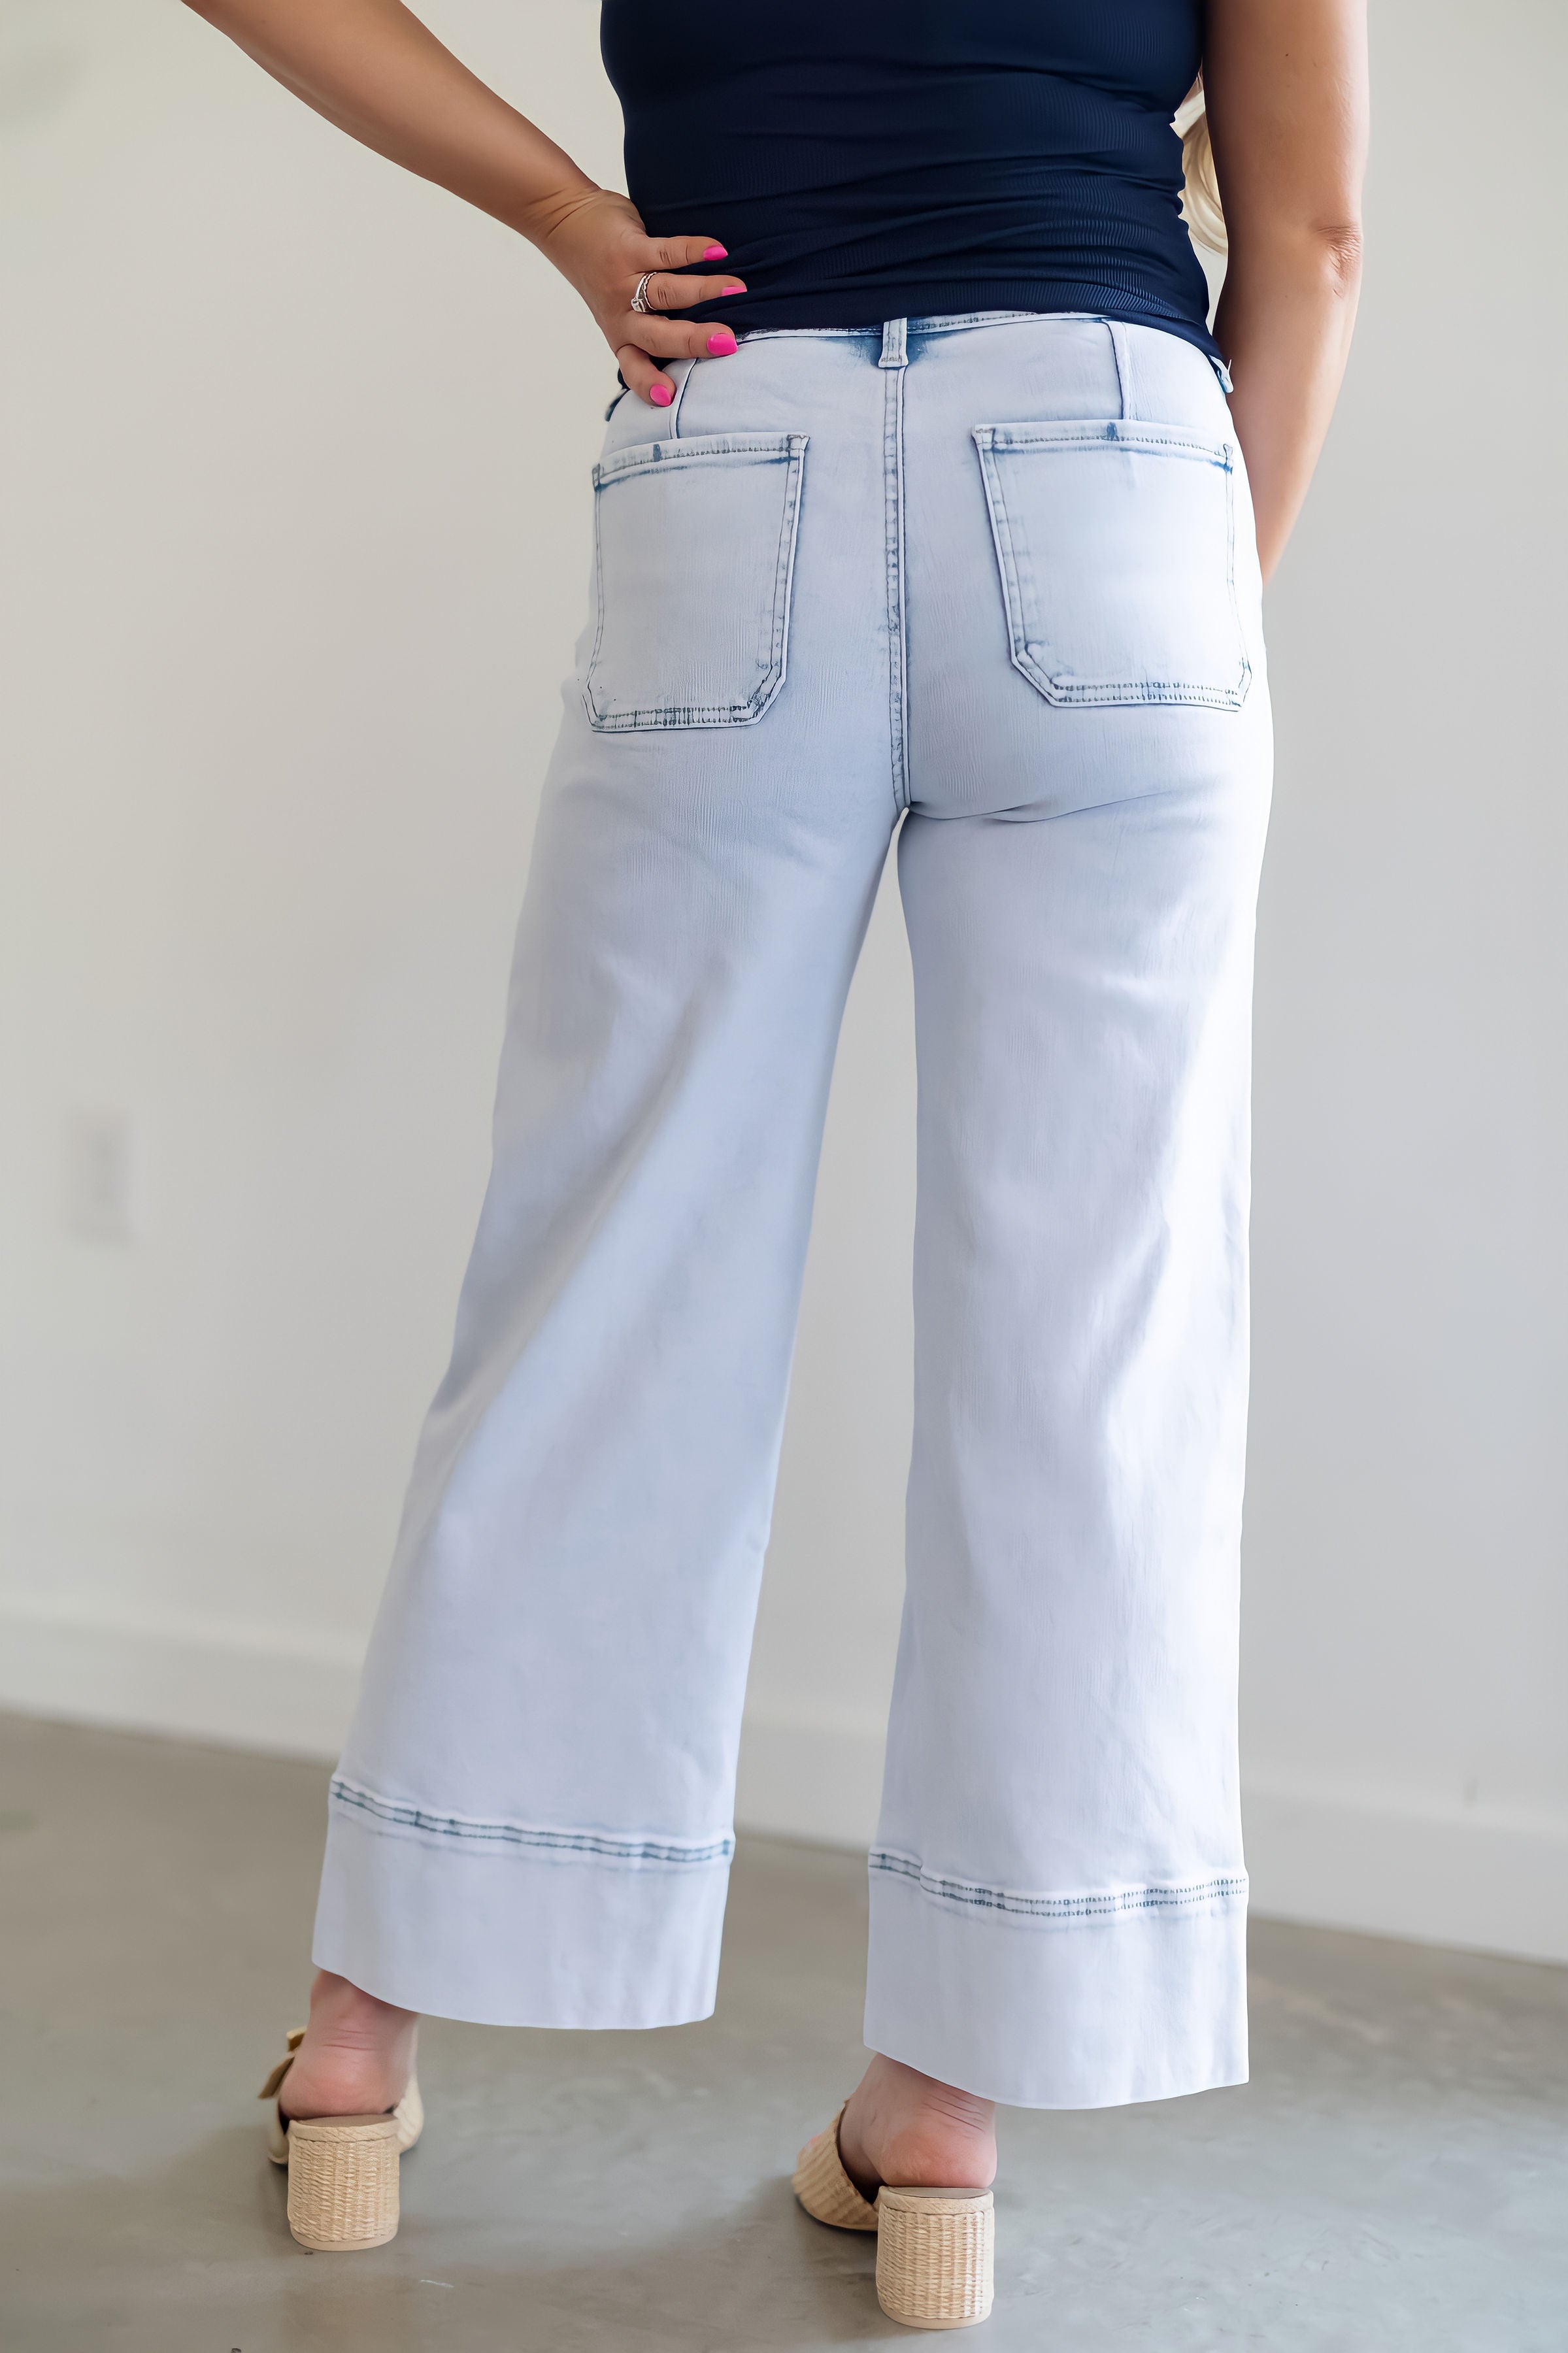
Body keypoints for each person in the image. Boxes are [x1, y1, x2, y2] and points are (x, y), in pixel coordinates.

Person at [186, 0, 1367, 2322]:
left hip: (742, 437)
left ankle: (358, 2049)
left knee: (606, 1271)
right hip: (1121, 463)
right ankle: (945, 2112)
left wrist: (567, 212)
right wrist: (1196, 600)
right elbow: (1310, 239)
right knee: (1092, 1338)